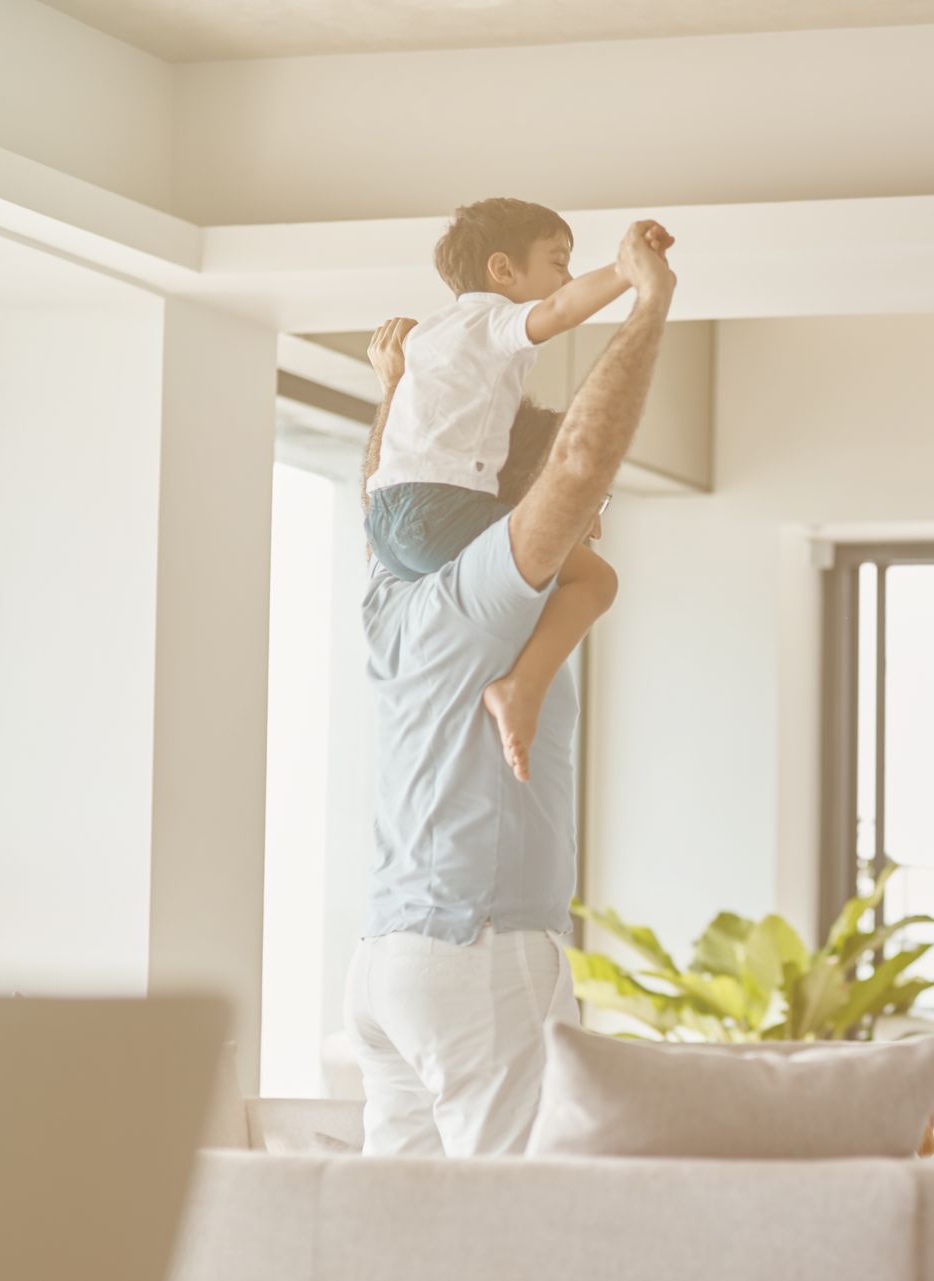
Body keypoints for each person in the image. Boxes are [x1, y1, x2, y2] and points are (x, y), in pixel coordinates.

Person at [343, 220, 676, 1158]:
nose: (592, 525)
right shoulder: (482, 587)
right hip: (476, 946)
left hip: (384, 962)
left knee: (400, 1240)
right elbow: (575, 468)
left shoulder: (393, 591)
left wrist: (395, 391)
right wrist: (647, 304)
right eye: (587, 520)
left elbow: (384, 484)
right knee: (510, 1229)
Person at [365, 197, 667, 781]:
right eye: (558, 261)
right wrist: (630, 272)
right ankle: (520, 688)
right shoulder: (489, 319)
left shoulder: (431, 335)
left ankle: (520, 685)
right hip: (443, 507)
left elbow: (408, 437)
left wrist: (389, 389)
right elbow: (558, 310)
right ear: (502, 271)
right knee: (596, 577)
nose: (567, 277)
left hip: (387, 520)